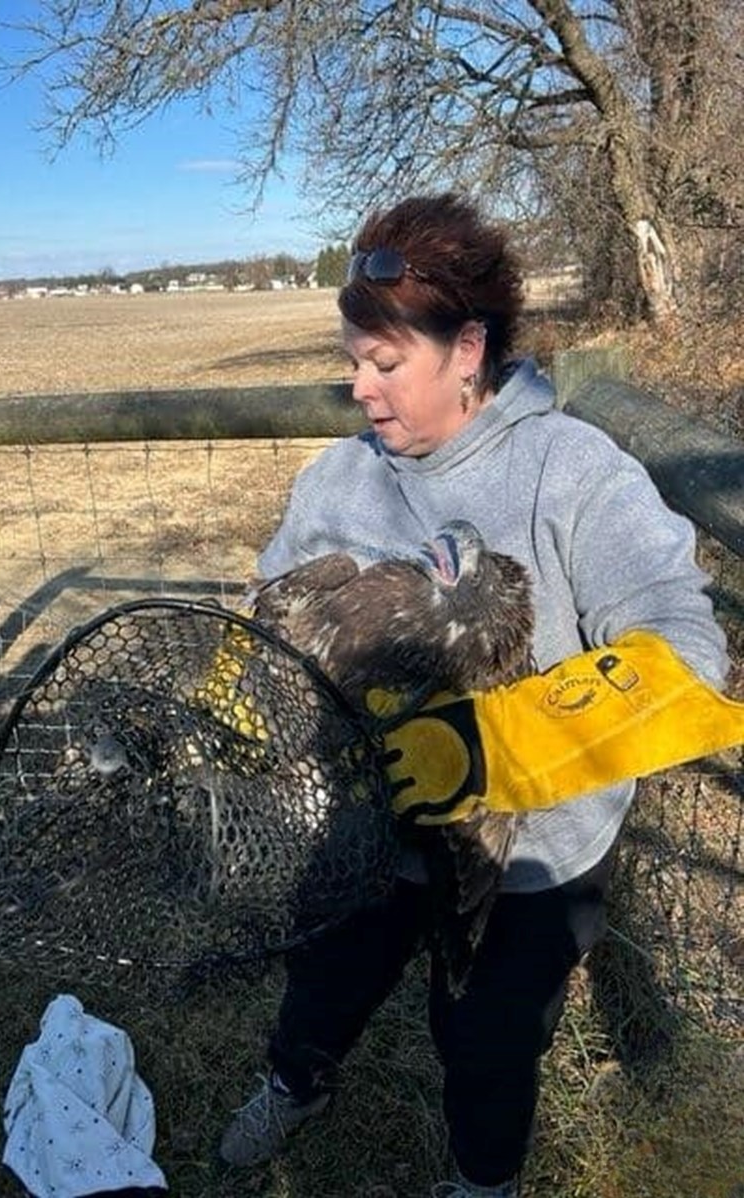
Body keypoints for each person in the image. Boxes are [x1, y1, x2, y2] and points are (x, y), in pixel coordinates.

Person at [217, 193, 732, 1197]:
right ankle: (294, 1082)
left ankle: (480, 1180)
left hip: (530, 852)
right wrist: (241, 697)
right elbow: (269, 606)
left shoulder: (572, 473)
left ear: (466, 348)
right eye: (352, 361)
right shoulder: (336, 478)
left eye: (383, 363)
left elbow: (683, 647)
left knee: (487, 1040)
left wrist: (496, 746)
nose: (359, 390)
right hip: (368, 826)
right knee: (322, 981)